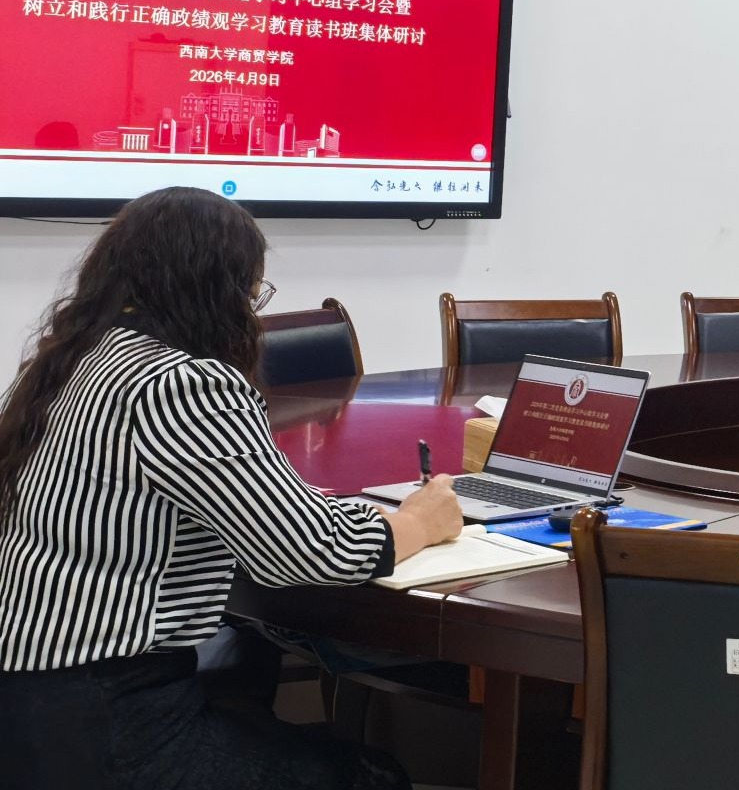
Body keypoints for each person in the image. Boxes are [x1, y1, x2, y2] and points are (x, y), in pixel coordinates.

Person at [0, 186, 465, 789]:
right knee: (369, 775)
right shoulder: (182, 383)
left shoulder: (79, 358)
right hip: (106, 725)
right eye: (251, 293)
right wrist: (417, 521)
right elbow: (306, 551)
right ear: (216, 290)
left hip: (34, 711)